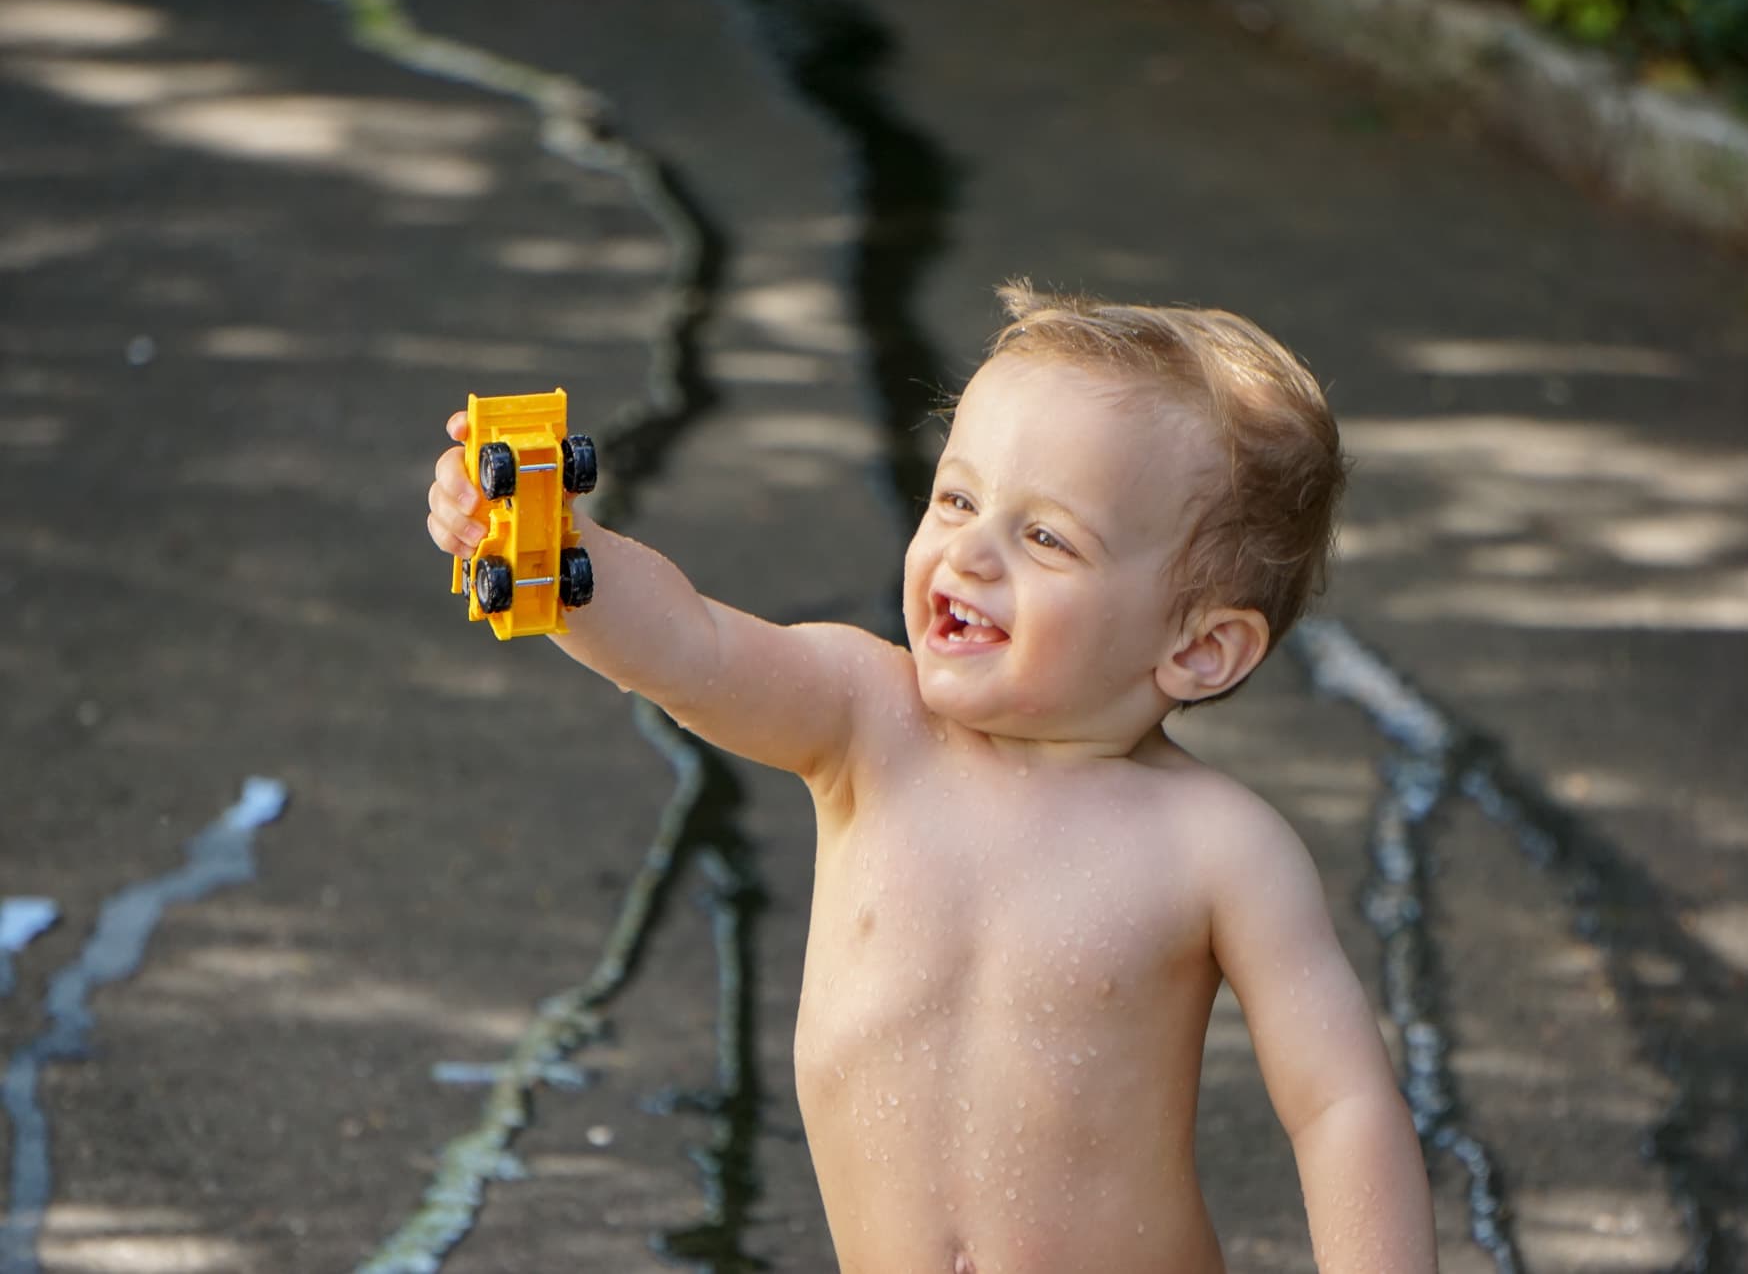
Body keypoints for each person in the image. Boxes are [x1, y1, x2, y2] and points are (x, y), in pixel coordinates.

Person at [425, 281, 1437, 1274]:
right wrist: (553, 551)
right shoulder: (868, 721)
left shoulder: (1219, 848)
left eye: (1044, 535)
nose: (970, 549)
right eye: (955, 496)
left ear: (1200, 648)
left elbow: (1339, 1103)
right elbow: (692, 648)